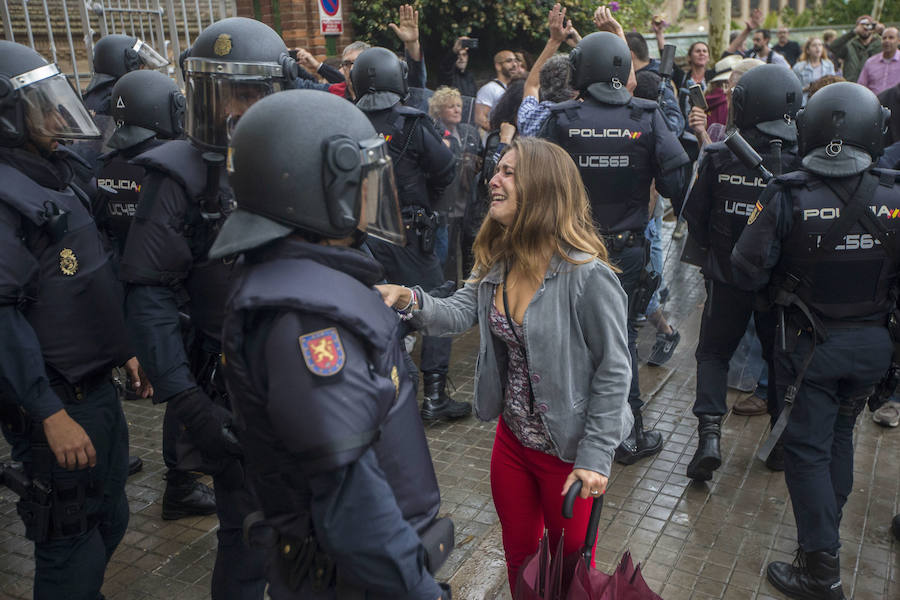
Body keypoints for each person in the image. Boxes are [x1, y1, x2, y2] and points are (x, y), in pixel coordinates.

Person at [207, 89, 453, 600]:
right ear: (319, 191)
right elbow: (351, 503)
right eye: (362, 181)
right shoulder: (304, 321)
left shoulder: (302, 280)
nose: (371, 195)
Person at [377, 136, 633, 593]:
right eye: (497, 170)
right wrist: (408, 298)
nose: (493, 180)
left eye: (509, 172)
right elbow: (458, 312)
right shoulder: (499, 259)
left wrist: (596, 458)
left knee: (567, 576)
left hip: (569, 459)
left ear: (543, 187)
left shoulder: (587, 276)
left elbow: (614, 371)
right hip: (512, 446)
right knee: (520, 560)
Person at [119, 16, 296, 598]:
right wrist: (188, 401)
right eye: (222, 92)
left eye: (248, 92)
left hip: (303, 380)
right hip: (229, 389)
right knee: (246, 542)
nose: (234, 108)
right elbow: (149, 292)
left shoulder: (297, 156)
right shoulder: (178, 175)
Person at [732, 82, 899, 600]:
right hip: (873, 347)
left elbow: (745, 267)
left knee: (806, 452)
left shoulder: (786, 192)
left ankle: (820, 571)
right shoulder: (895, 194)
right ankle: (824, 529)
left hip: (809, 350)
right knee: (841, 435)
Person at [0, 40, 145, 599]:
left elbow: (88, 277)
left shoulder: (53, 173)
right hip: (56, 401)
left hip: (96, 387)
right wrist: (48, 415)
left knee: (110, 518)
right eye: (41, 105)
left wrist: (123, 347)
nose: (58, 116)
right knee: (68, 536)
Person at [540, 8, 690, 466]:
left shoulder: (561, 118)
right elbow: (678, 179)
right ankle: (630, 434)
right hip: (624, 252)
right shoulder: (644, 116)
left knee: (569, 339)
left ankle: (563, 430)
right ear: (623, 69)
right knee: (618, 341)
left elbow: (535, 184)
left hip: (569, 248)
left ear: (580, 70)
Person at [93, 69, 217, 520]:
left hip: (124, 297)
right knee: (188, 386)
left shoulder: (106, 166)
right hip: (175, 299)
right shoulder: (172, 167)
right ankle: (182, 482)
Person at [682, 64, 803, 481]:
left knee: (713, 354)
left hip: (725, 281)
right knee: (779, 360)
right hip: (781, 289)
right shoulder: (803, 161)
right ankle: (779, 443)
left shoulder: (719, 155)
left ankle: (709, 438)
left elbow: (693, 218)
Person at [349, 47, 469, 422]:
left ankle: (394, 390)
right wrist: (423, 206)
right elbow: (447, 168)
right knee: (437, 305)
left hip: (359, 234)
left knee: (378, 307)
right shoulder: (411, 122)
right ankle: (433, 397)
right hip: (410, 235)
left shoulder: (343, 119)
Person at [429, 86, 483, 282]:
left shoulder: (469, 131)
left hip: (468, 199)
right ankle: (447, 287)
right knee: (446, 253)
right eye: (451, 106)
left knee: (469, 248)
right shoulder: (434, 132)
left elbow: (480, 158)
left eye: (459, 106)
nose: (457, 110)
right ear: (439, 110)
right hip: (445, 203)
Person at [517, 3, 580, 138]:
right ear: (576, 89)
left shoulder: (531, 118)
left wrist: (554, 41)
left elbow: (531, 85)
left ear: (543, 83)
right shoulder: (588, 117)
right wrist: (580, 45)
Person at [81, 33, 168, 118]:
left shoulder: (89, 97)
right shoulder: (121, 100)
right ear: (129, 66)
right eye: (141, 67)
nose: (143, 72)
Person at [474, 50, 523, 132]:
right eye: (509, 61)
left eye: (515, 61)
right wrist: (498, 132)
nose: (514, 65)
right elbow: (480, 118)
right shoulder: (489, 89)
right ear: (498, 66)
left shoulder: (516, 88)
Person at [828, 14, 884, 83]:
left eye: (868, 25)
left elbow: (896, 47)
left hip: (874, 85)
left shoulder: (881, 45)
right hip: (852, 85)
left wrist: (882, 32)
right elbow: (833, 47)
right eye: (862, 25)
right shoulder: (849, 45)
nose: (865, 28)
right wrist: (853, 32)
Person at [856, 27, 900, 95]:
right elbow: (861, 87)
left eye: (891, 38)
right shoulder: (870, 62)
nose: (887, 41)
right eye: (884, 38)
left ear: (898, 41)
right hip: (874, 103)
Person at [792, 37, 836, 103]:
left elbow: (833, 85)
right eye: (814, 45)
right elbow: (793, 90)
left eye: (820, 45)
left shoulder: (829, 65)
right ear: (808, 50)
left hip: (825, 102)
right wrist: (807, 88)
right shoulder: (798, 67)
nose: (817, 47)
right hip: (805, 103)